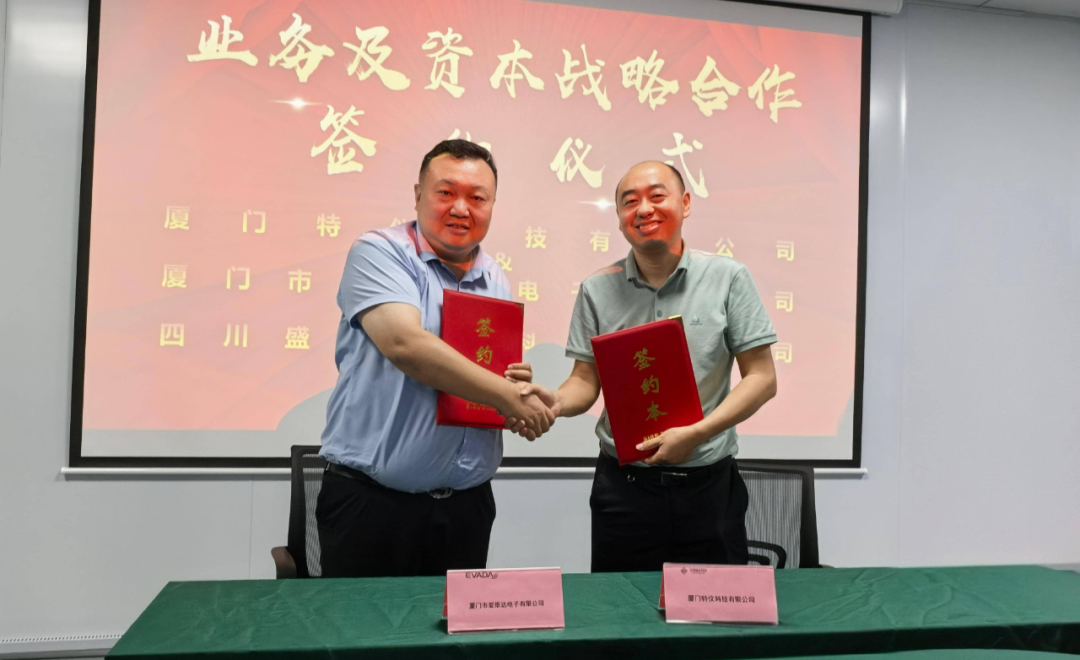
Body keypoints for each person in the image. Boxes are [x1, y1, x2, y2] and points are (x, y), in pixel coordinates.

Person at [517, 161, 778, 572]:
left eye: (657, 196)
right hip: (625, 490)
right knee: (622, 606)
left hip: (709, 489)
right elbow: (584, 381)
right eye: (629, 201)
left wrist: (699, 432)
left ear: (685, 203)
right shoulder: (596, 289)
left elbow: (762, 378)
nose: (643, 209)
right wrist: (555, 401)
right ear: (619, 217)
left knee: (713, 607)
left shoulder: (728, 278)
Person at [316, 140, 555, 578]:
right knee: (366, 625)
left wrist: (512, 386)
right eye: (446, 192)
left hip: (465, 509)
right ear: (418, 194)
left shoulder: (493, 274)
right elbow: (406, 345)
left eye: (477, 198)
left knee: (456, 625)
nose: (461, 208)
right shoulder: (380, 251)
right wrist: (506, 395)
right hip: (373, 505)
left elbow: (477, 378)